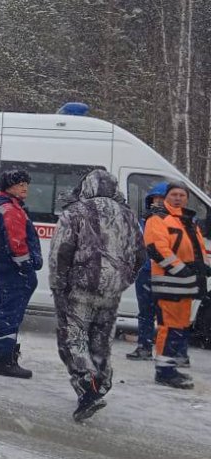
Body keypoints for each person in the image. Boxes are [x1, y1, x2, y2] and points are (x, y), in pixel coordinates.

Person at [49, 170, 145, 421]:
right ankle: (101, 383)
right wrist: (123, 279)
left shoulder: (75, 212)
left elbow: (61, 252)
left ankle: (87, 382)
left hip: (79, 288)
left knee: (74, 337)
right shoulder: (128, 215)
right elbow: (140, 254)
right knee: (100, 338)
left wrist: (58, 284)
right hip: (111, 291)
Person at [144, 181, 207, 389]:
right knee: (169, 328)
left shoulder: (187, 220)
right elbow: (157, 248)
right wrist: (182, 270)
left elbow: (198, 250)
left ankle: (170, 367)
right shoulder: (158, 219)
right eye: (174, 194)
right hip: (170, 283)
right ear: (166, 197)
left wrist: (204, 267)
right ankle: (164, 371)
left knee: (179, 327)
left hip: (186, 285)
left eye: (182, 194)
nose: (178, 198)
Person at [0, 169, 42, 378]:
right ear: (9, 186)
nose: (25, 187)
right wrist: (25, 268)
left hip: (2, 268)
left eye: (26, 183)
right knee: (10, 314)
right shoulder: (12, 209)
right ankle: (6, 360)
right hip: (14, 271)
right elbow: (17, 243)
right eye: (20, 183)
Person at [126, 182, 167, 361]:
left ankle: (166, 351)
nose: (157, 203)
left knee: (165, 313)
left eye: (161, 199)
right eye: (154, 199)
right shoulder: (143, 222)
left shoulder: (175, 222)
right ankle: (144, 346)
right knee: (145, 312)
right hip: (144, 272)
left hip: (165, 273)